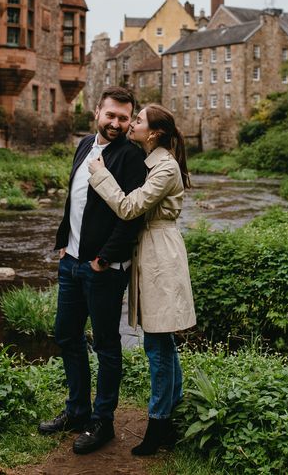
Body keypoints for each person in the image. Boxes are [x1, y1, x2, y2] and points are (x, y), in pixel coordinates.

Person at [38, 87, 147, 455]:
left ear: (131, 120)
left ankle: (103, 422)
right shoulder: (84, 144)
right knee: (67, 335)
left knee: (105, 345)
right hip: (71, 262)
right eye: (111, 115)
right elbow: (75, 201)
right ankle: (77, 411)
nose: (116, 123)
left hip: (103, 268)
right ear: (97, 111)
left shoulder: (132, 157)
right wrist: (66, 247)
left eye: (124, 118)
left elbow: (131, 216)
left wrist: (102, 259)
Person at [88, 103, 196, 456]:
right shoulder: (154, 162)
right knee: (161, 340)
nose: (130, 123)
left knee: (157, 342)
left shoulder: (164, 168)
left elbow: (130, 207)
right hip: (151, 252)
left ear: (153, 133)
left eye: (137, 120)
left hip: (160, 256)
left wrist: (100, 174)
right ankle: (173, 406)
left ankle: (159, 423)